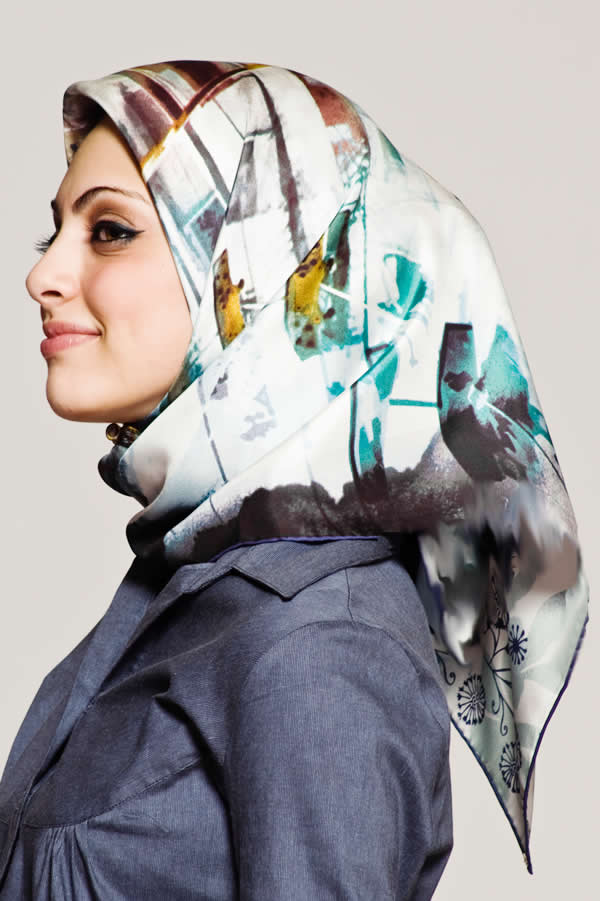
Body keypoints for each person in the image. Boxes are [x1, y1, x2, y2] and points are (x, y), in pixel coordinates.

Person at [0, 60, 588, 899]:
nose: (43, 276)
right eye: (52, 234)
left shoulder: (319, 642)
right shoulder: (195, 579)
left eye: (110, 232)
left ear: (265, 266)